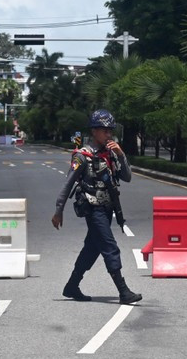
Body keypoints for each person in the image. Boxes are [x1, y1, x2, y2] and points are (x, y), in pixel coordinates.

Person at [51, 109, 142, 305]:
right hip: (93, 209)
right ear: (94, 131)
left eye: (110, 130)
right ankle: (123, 291)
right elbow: (68, 183)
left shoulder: (110, 153)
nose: (108, 134)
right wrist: (58, 211)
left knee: (91, 249)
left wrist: (121, 154)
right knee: (110, 247)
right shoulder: (82, 156)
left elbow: (126, 177)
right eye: (104, 131)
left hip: (108, 208)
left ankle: (72, 286)